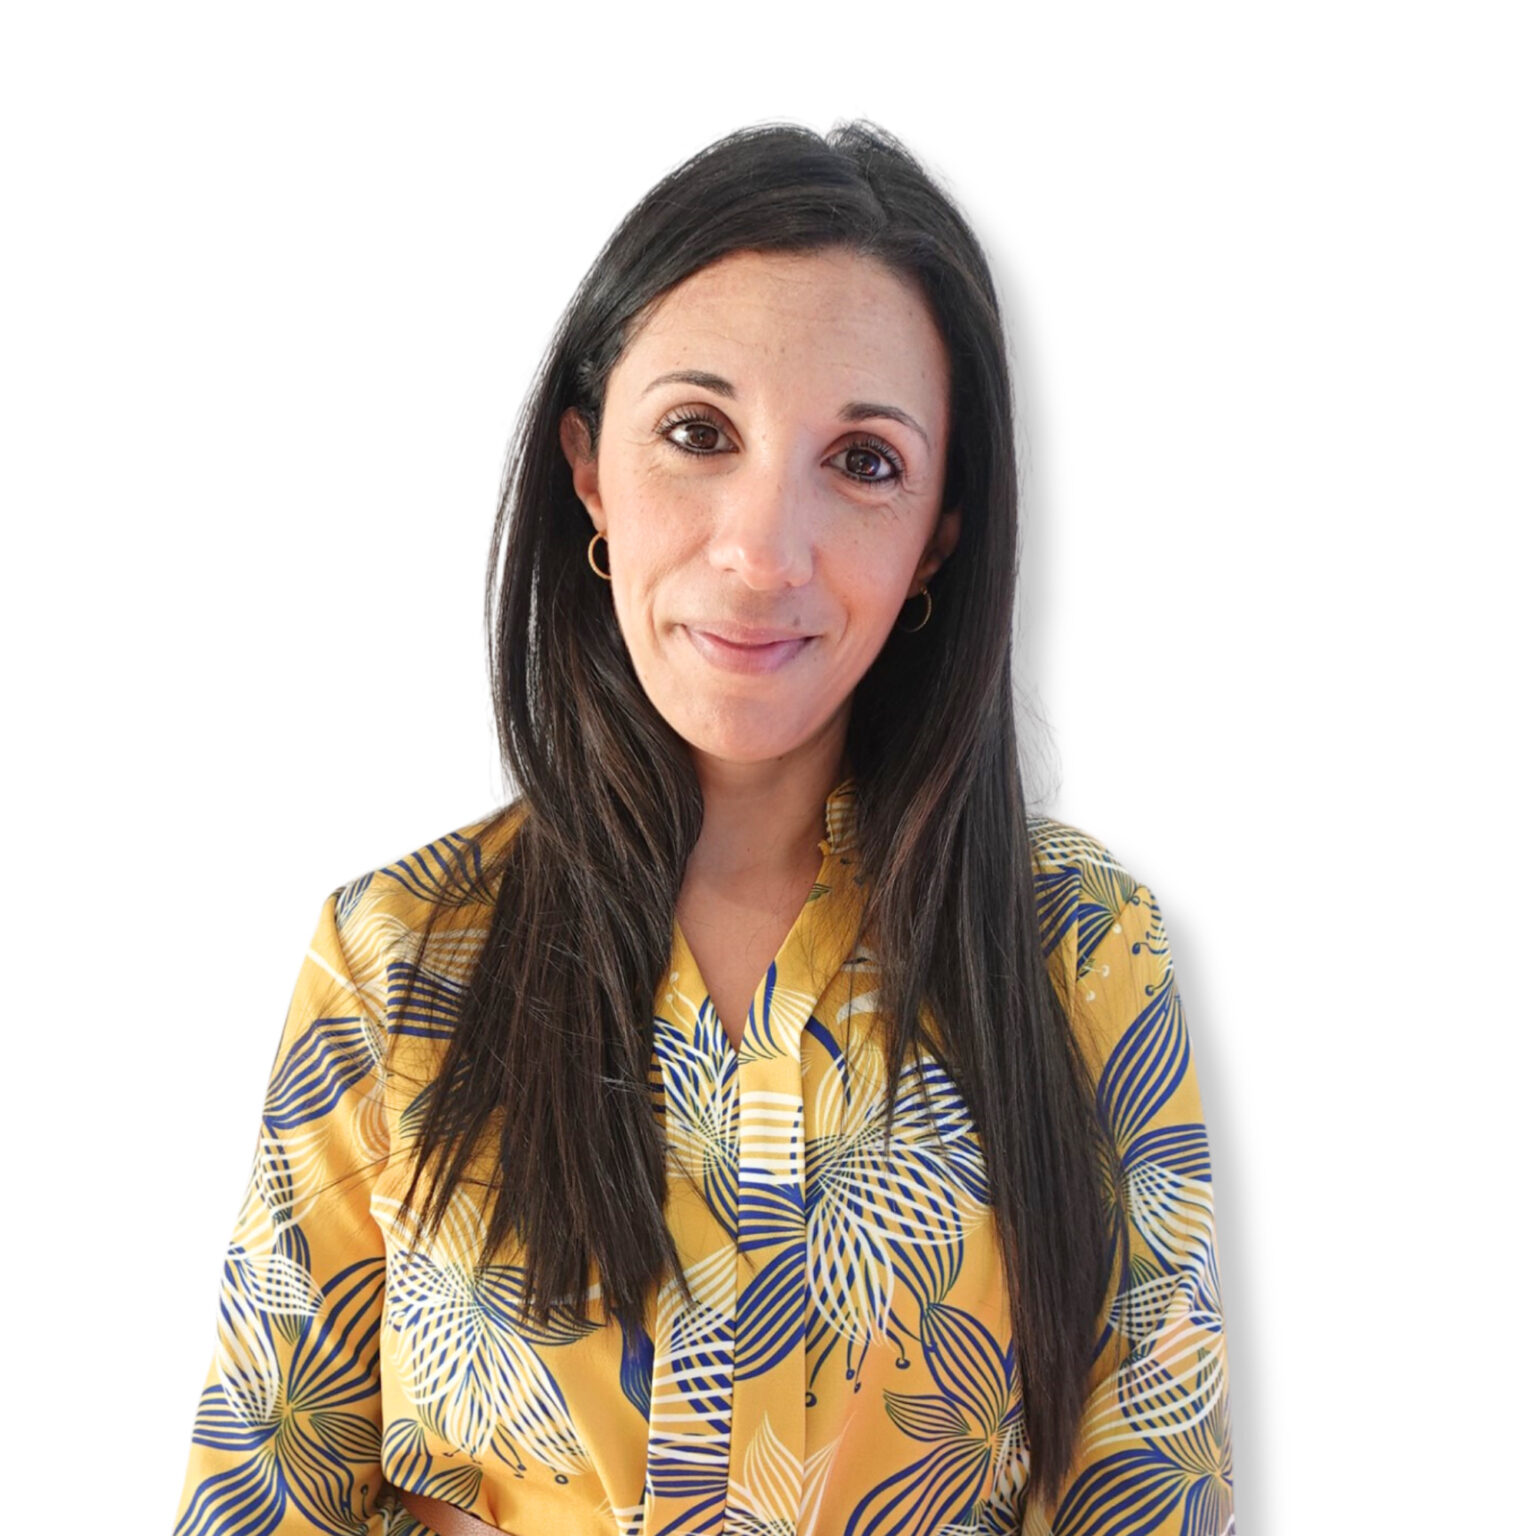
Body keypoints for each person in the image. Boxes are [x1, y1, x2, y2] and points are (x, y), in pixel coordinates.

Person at [173, 121, 1233, 1536]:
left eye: (863, 462)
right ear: (589, 469)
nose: (760, 551)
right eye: (697, 434)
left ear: (939, 535)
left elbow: (1155, 1491)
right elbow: (259, 1497)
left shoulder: (1086, 953)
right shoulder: (398, 960)